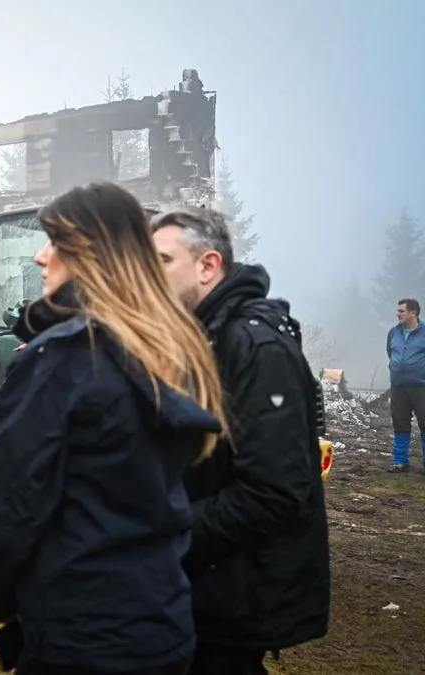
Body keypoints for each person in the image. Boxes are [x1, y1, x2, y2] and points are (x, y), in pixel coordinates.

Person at [0, 182, 227, 675]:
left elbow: (7, 500)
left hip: (80, 639)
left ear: (89, 257)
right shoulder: (170, 353)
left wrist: (0, 599)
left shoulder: (62, 359)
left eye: (56, 243)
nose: (41, 258)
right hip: (162, 627)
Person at [152, 206, 330, 675]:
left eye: (163, 261)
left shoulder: (254, 347)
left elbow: (274, 490)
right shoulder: (200, 337)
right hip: (196, 595)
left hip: (233, 600)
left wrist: (163, 537)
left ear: (208, 266)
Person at [385, 298, 425, 471]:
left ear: (413, 313)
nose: (398, 314)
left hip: (421, 386)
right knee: (400, 422)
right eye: (398, 310)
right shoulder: (393, 332)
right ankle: (400, 461)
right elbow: (390, 352)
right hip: (398, 385)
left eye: (401, 311)